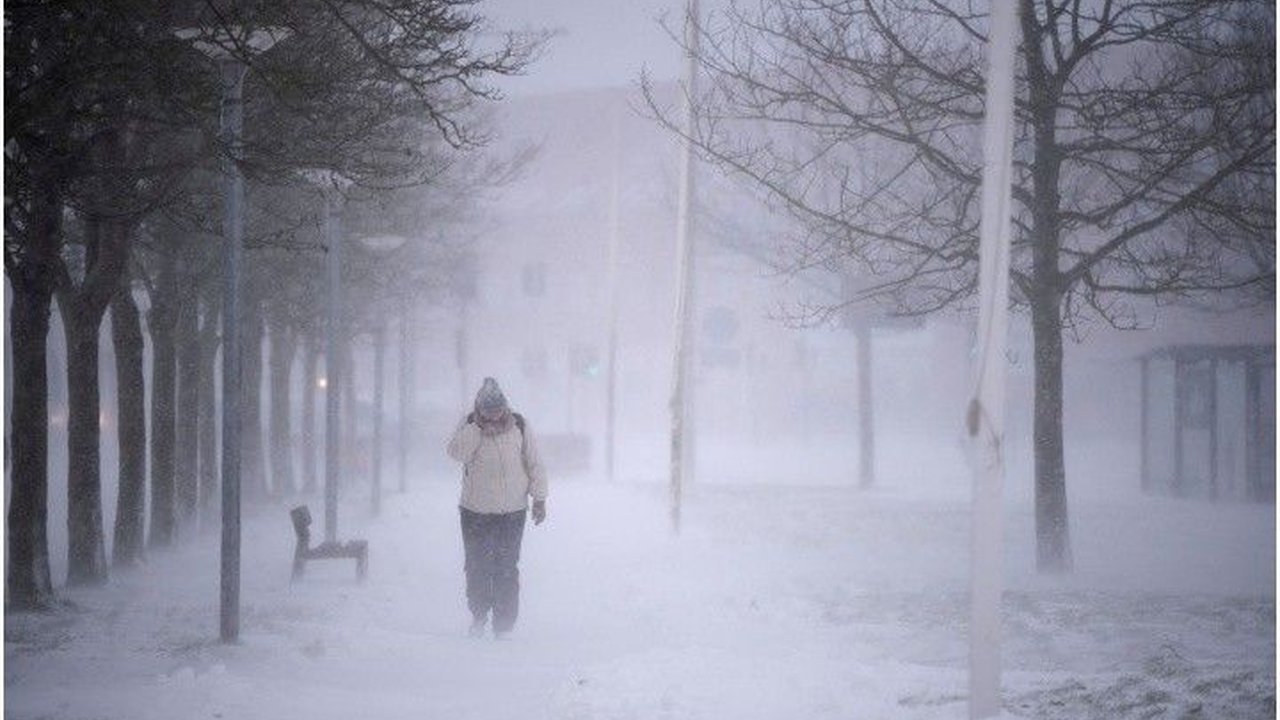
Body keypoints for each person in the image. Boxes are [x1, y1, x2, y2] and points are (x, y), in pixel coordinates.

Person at [446, 377, 548, 639]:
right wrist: (476, 428)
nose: (494, 416)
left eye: (498, 410)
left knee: (507, 567)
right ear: (480, 409)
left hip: (512, 512)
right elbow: (456, 453)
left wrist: (539, 499)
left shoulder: (519, 425)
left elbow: (535, 463)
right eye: (488, 411)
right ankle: (479, 615)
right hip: (475, 512)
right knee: (477, 566)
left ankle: (503, 625)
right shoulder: (470, 425)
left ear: (505, 406)